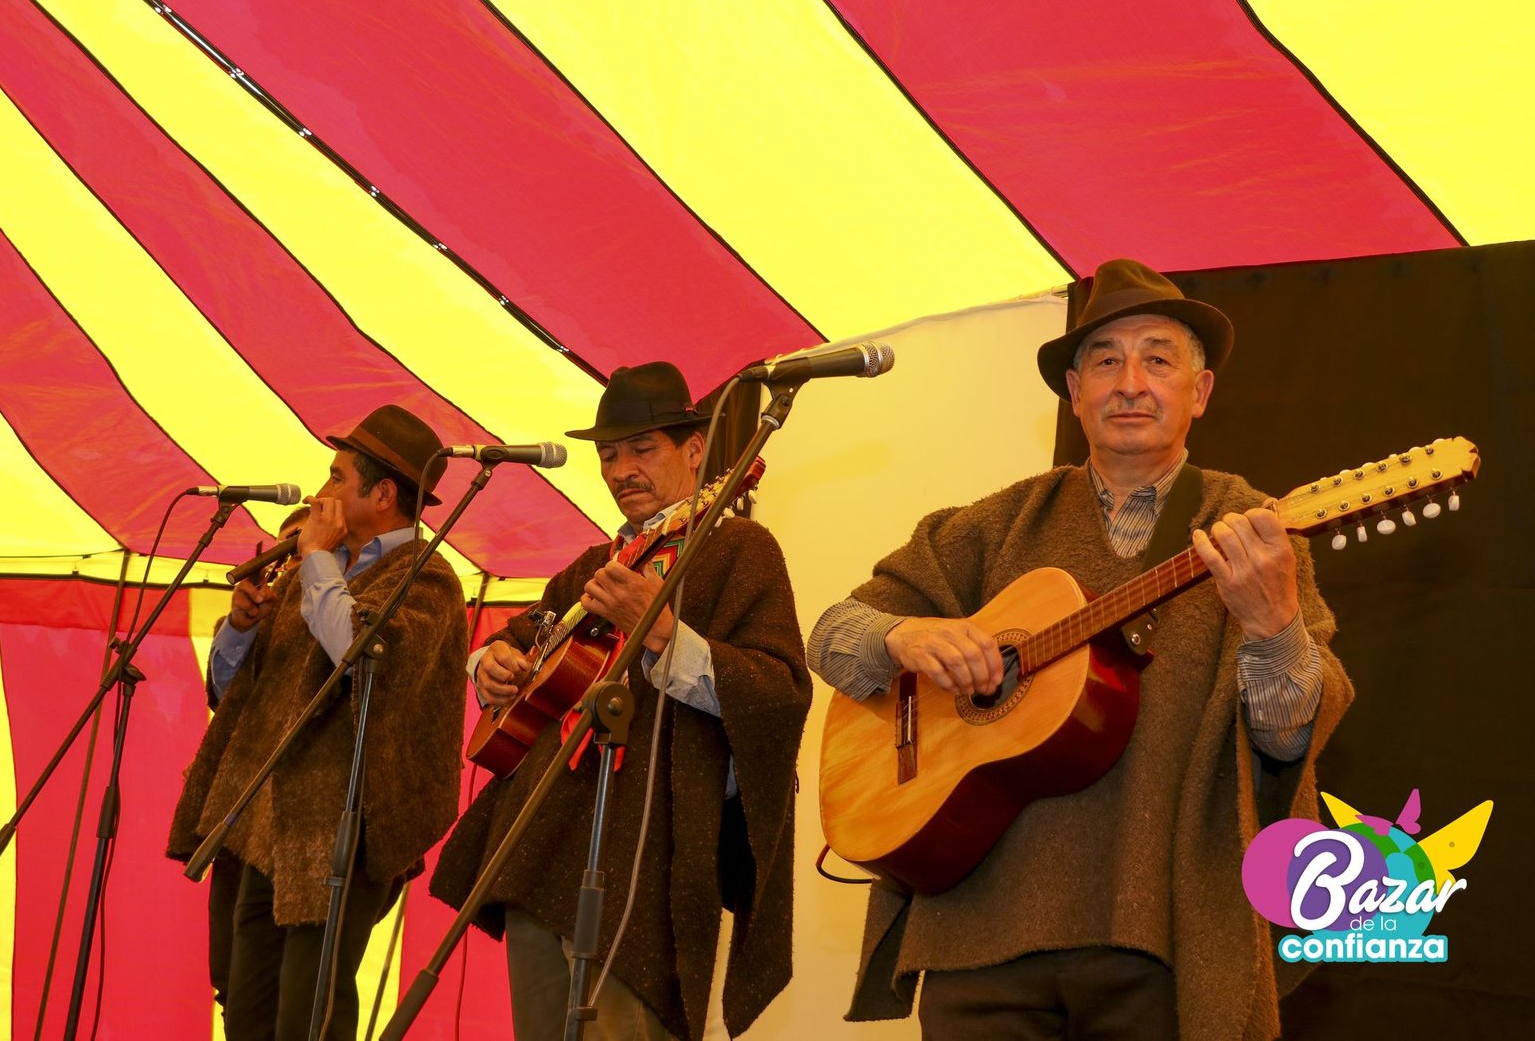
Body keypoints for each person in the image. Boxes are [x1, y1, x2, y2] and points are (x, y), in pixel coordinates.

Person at [807, 259, 1353, 1039]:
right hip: (974, 939)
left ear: (1199, 392)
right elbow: (832, 636)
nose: (1130, 383)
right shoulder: (993, 525)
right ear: (1073, 391)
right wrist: (905, 635)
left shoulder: (1255, 531)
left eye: (1158, 360)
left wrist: (1275, 631)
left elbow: (1287, 740)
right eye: (1105, 362)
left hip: (1162, 935)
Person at [430, 362, 812, 1041]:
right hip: (542, 850)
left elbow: (780, 692)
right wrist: (488, 665)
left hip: (648, 855)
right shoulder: (593, 565)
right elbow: (518, 639)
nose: (621, 469)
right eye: (609, 455)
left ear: (695, 451)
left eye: (642, 449)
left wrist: (663, 634)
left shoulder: (740, 551)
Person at [169, 405, 470, 1041]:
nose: (320, 491)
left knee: (310, 1014)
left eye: (337, 477)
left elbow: (363, 655)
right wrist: (240, 631)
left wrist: (315, 560)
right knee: (245, 1009)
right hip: (266, 823)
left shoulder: (427, 579)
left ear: (383, 495)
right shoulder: (317, 566)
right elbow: (235, 696)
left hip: (345, 831)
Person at [204, 504, 309, 1011]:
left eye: (300, 548)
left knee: (298, 988)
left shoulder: (345, 611)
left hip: (306, 825)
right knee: (233, 981)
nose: (287, 563)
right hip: (243, 816)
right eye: (281, 551)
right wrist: (241, 627)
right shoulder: (254, 619)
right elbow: (225, 700)